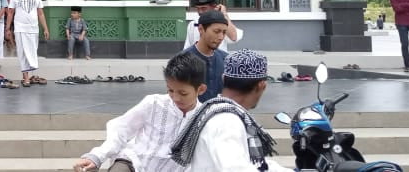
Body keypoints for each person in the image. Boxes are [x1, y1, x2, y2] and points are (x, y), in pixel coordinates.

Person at [75, 52, 208, 172]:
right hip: (134, 164)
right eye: (170, 90)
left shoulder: (205, 118)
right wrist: (96, 156)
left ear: (200, 89)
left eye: (183, 93)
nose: (176, 98)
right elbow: (121, 129)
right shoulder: (154, 103)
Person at [171, 49, 290, 172]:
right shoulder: (227, 122)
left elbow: (253, 164)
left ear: (223, 79)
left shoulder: (216, 112)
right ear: (261, 85)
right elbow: (235, 169)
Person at [6, 0, 50, 87]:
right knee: (22, 52)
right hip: (20, 28)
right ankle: (26, 77)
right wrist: (7, 28)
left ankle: (28, 75)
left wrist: (45, 28)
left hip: (33, 29)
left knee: (32, 51)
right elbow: (10, 12)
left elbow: (40, 13)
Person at [184, 9, 229, 102]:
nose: (221, 37)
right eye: (216, 31)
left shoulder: (227, 59)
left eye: (224, 32)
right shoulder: (183, 60)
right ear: (201, 29)